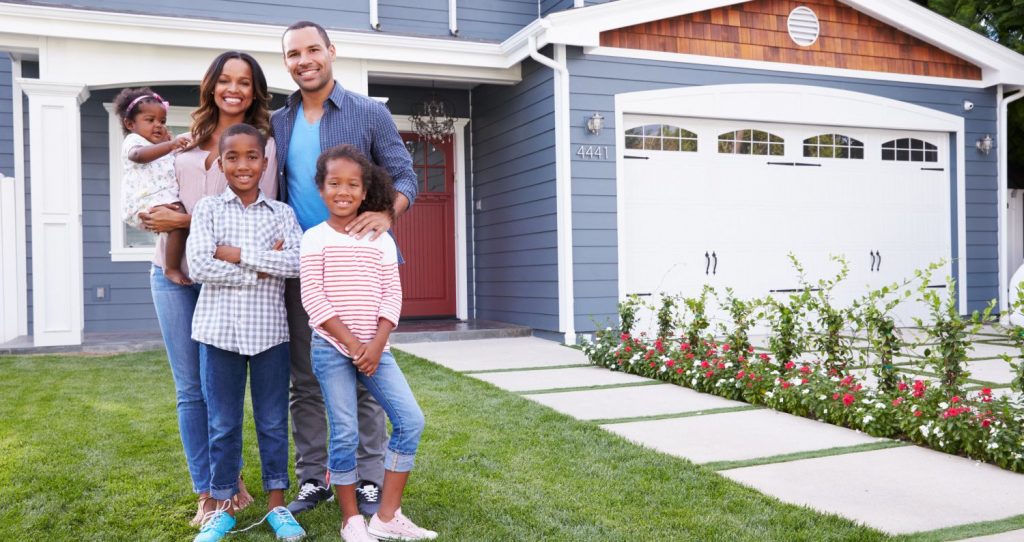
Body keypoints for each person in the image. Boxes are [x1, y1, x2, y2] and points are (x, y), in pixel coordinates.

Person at [272, 20, 418, 515]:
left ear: (331, 52)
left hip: (364, 266)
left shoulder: (368, 113)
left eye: (313, 49)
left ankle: (370, 478)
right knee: (307, 378)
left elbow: (405, 175)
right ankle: (314, 478)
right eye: (294, 54)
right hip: (307, 267)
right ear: (286, 62)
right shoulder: (279, 121)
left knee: (368, 376)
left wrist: (386, 212)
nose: (304, 60)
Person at [140, 50, 277, 527]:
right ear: (211, 85)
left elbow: (257, 220)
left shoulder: (264, 146)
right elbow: (156, 197)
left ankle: (228, 477)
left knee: (224, 389)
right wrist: (154, 216)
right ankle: (210, 488)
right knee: (189, 389)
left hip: (226, 282)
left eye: (243, 81)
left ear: (255, 90)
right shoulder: (183, 139)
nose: (233, 89)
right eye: (225, 80)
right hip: (172, 275)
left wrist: (183, 218)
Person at [301, 145, 435, 541]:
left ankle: (387, 516)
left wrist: (375, 345)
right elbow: (314, 299)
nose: (343, 191)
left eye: (352, 184)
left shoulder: (381, 239)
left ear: (364, 191)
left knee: (410, 420)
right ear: (321, 189)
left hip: (377, 349)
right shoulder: (314, 238)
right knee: (345, 431)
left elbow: (391, 295)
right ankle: (351, 521)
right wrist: (353, 345)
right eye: (334, 183)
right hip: (331, 348)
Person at [187, 123, 305, 542]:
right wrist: (260, 266)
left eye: (251, 156)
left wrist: (235, 256)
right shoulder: (207, 210)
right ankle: (222, 506)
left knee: (273, 421)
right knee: (223, 422)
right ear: (221, 163)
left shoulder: (282, 214)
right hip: (218, 333)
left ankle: (277, 507)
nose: (242, 165)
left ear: (264, 161)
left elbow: (295, 263)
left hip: (270, 333)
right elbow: (199, 266)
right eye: (232, 157)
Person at [114, 87, 192, 285]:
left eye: (162, 121)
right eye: (150, 120)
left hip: (161, 198)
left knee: (178, 220)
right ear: (130, 124)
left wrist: (173, 144)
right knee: (178, 221)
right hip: (144, 201)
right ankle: (171, 268)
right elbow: (138, 156)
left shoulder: (162, 146)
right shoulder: (134, 141)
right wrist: (170, 145)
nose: (158, 125)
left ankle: (173, 264)